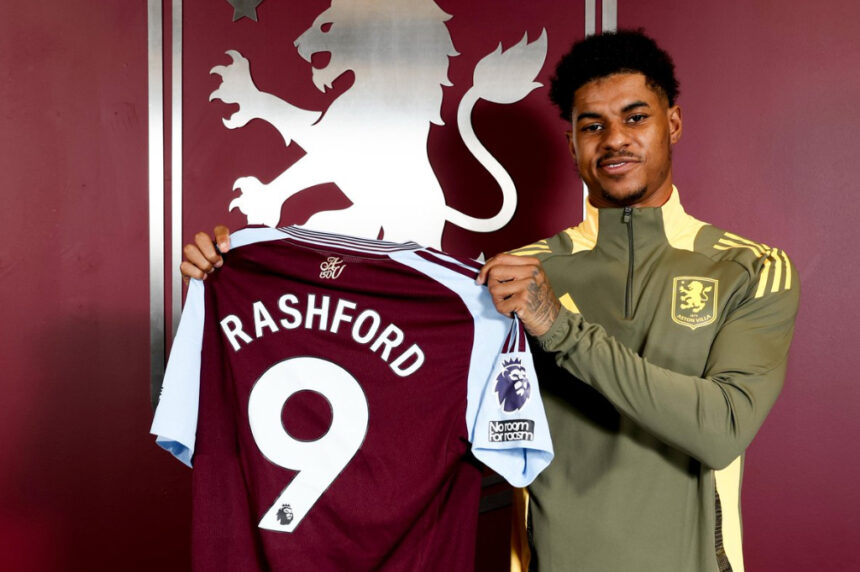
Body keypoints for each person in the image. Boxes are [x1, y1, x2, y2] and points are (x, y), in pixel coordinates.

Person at [181, 29, 799, 572]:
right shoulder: (508, 278)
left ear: (673, 123)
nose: (614, 140)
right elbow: (401, 400)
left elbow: (722, 429)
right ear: (571, 143)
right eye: (593, 125)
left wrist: (558, 325)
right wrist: (238, 277)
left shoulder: (751, 267)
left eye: (635, 117)